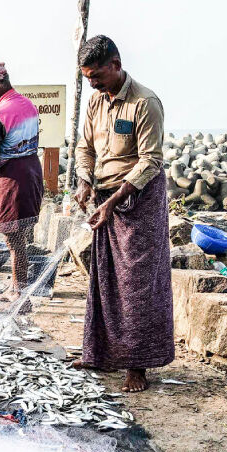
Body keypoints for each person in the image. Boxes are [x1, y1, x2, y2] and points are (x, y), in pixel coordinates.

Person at [73, 35, 173, 393]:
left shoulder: (145, 102)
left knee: (137, 284)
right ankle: (97, 353)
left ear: (116, 64)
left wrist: (114, 199)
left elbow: (151, 160)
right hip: (104, 197)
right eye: (87, 78)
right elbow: (85, 148)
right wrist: (85, 182)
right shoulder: (95, 102)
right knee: (103, 278)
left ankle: (137, 365)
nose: (93, 84)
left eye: (97, 76)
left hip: (137, 201)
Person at [0, 63, 43, 305]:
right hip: (32, 174)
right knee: (20, 238)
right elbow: (18, 137)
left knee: (14, 242)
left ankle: (18, 292)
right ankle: (17, 284)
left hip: (11, 181)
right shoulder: (27, 105)